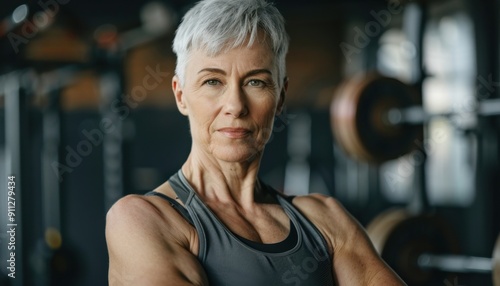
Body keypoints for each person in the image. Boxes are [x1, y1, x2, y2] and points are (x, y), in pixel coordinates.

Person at [105, 0, 407, 285]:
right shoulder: (142, 221)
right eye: (213, 81)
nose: (235, 105)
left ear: (280, 98)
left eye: (255, 82)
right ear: (181, 95)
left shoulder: (326, 219)